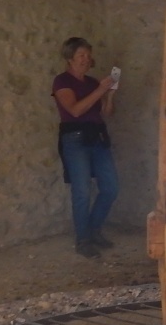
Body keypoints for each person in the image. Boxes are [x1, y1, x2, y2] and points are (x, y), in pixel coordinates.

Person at [51, 37, 119, 259]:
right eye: (81, 55)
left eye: (88, 56)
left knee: (110, 187)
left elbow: (106, 113)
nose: (86, 59)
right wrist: (100, 90)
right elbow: (76, 110)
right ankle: (83, 239)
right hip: (75, 139)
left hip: (97, 137)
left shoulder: (91, 83)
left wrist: (109, 96)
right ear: (70, 59)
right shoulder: (62, 82)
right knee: (81, 191)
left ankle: (94, 229)